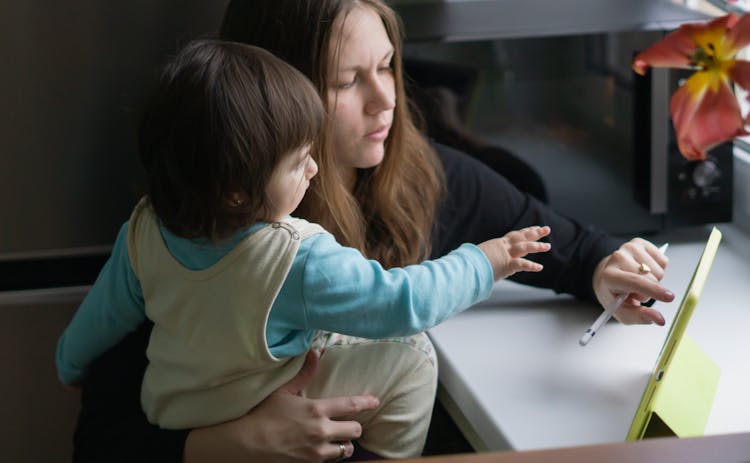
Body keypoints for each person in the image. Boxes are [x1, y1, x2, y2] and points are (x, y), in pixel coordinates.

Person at [71, 1, 675, 462]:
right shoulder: (199, 225)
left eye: (387, 66)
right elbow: (99, 439)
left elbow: (556, 241)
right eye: (346, 81)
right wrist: (230, 442)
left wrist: (604, 269)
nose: (385, 98)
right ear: (268, 99)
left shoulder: (421, 177)